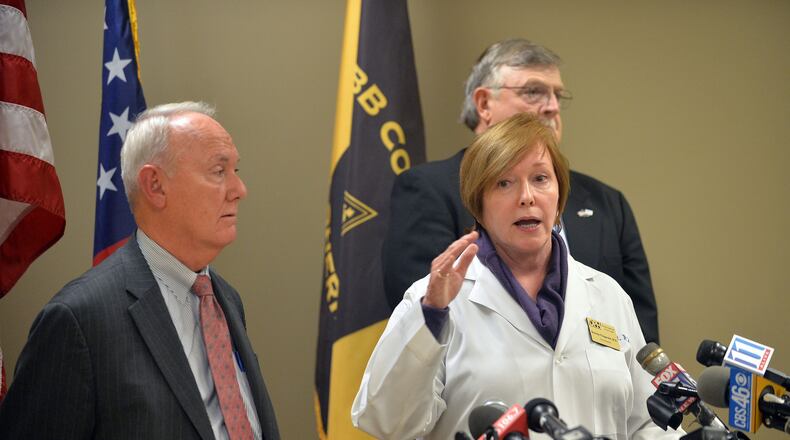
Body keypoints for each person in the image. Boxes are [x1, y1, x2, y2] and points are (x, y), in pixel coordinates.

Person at [353, 113, 680, 439]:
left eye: (540, 179)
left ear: (559, 194)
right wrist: (431, 317)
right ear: (478, 203)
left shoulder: (607, 295)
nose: (527, 196)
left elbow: (646, 422)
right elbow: (388, 424)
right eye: (504, 183)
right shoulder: (433, 300)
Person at [0, 102, 280, 440]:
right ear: (156, 186)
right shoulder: (78, 321)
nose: (239, 190)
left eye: (236, 171)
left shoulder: (225, 300)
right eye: (219, 172)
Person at [382, 38, 660, 343]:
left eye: (557, 95)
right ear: (484, 104)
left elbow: (643, 340)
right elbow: (419, 319)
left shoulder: (607, 202)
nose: (552, 106)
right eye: (533, 92)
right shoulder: (429, 188)